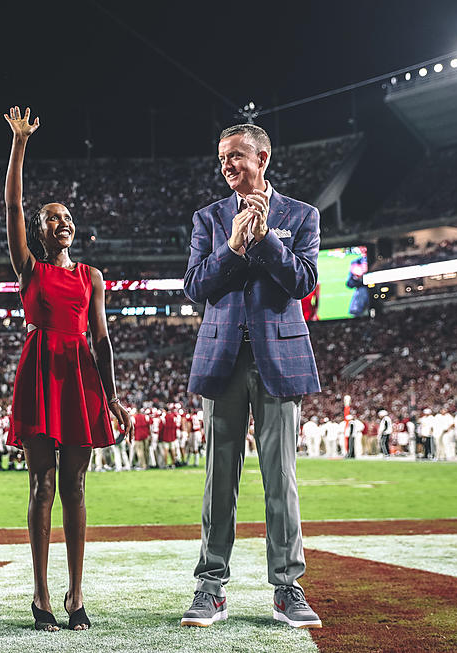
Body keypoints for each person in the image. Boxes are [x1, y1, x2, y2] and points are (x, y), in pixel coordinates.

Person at [180, 124, 323, 629]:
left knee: (280, 478)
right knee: (220, 479)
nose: (227, 165)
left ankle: (287, 587)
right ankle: (210, 587)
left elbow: (303, 282)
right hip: (222, 359)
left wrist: (265, 242)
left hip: (279, 361)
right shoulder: (209, 219)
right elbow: (196, 287)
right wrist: (235, 247)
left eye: (236, 156)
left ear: (262, 157)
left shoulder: (301, 216)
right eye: (222, 158)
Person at [2, 106, 133, 632]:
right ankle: (41, 598)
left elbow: (101, 339)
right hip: (40, 371)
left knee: (75, 486)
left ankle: (76, 595)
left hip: (79, 373)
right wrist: (19, 143)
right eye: (53, 217)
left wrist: (114, 396)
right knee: (42, 485)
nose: (64, 222)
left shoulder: (91, 275)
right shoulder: (27, 267)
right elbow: (12, 204)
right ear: (39, 229)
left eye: (68, 217)